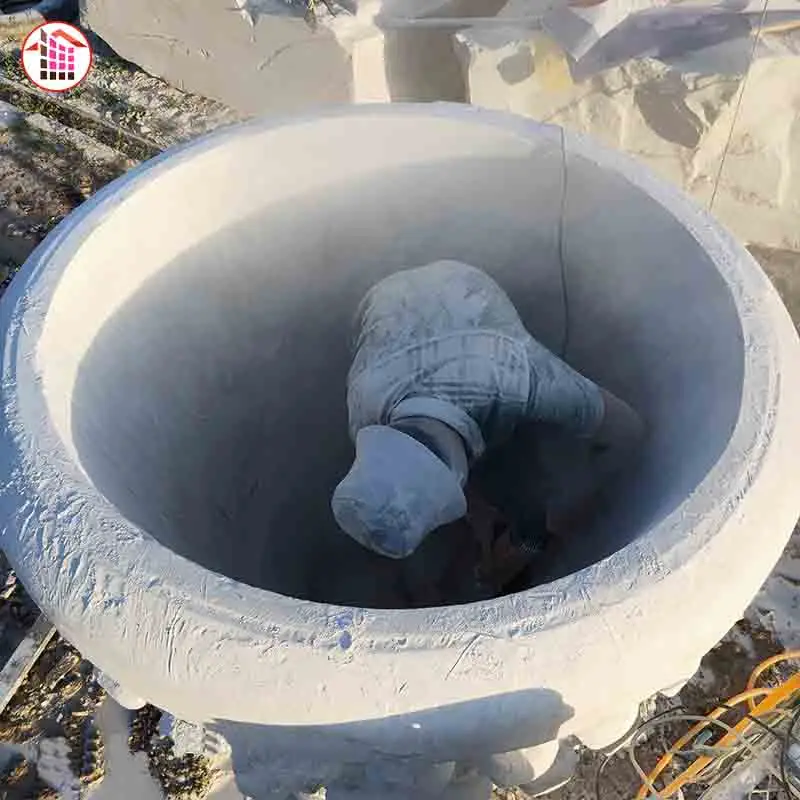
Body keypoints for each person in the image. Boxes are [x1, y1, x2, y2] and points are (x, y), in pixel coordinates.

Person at [331, 260, 644, 575]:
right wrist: (481, 522)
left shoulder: (519, 377)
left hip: (463, 288)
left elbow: (628, 427)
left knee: (517, 456)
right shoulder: (363, 408)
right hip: (384, 300)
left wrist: (559, 521)